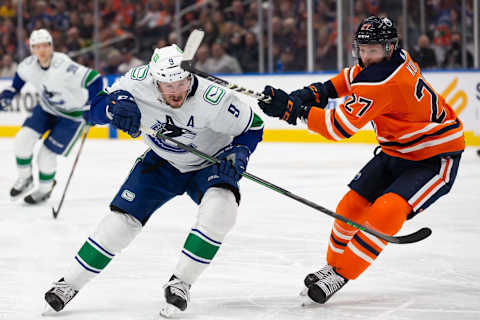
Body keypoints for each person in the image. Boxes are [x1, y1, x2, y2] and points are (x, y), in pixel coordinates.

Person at [43, 44, 264, 317]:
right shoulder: (136, 83)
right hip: (162, 162)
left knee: (222, 209)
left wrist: (239, 152)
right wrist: (115, 106)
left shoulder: (215, 99)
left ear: (190, 76)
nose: (175, 91)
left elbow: (253, 127)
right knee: (120, 222)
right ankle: (69, 283)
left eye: (181, 82)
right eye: (167, 84)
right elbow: (93, 110)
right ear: (154, 79)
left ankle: (181, 283)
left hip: (210, 162)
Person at [258, 16, 464, 304]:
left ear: (390, 48)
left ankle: (342, 273)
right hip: (396, 151)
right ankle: (332, 267)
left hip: (434, 159)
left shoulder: (385, 79)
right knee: (350, 207)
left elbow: (338, 127)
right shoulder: (389, 62)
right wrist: (308, 94)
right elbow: (347, 79)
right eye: (363, 49)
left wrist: (292, 111)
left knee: (386, 210)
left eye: (374, 50)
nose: (366, 57)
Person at [0, 29, 103, 204]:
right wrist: (9, 93)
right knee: (22, 140)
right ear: (31, 49)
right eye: (37, 46)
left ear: (51, 47)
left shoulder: (63, 66)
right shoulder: (27, 65)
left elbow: (94, 79)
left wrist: (91, 106)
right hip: (46, 109)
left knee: (45, 156)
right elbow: (17, 82)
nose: (42, 50)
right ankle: (25, 178)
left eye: (45, 45)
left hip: (72, 116)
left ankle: (44, 189)